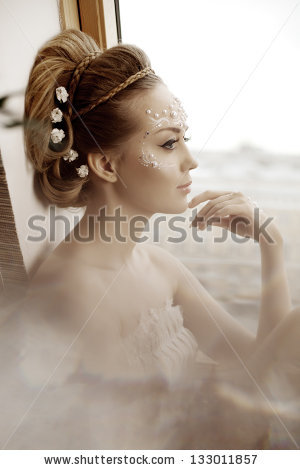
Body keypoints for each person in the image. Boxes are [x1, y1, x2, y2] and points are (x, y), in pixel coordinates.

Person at [0, 29, 299, 450]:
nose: (191, 161)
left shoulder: (154, 263)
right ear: (105, 164)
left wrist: (272, 245)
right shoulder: (74, 295)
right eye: (169, 143)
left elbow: (256, 363)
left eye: (185, 140)